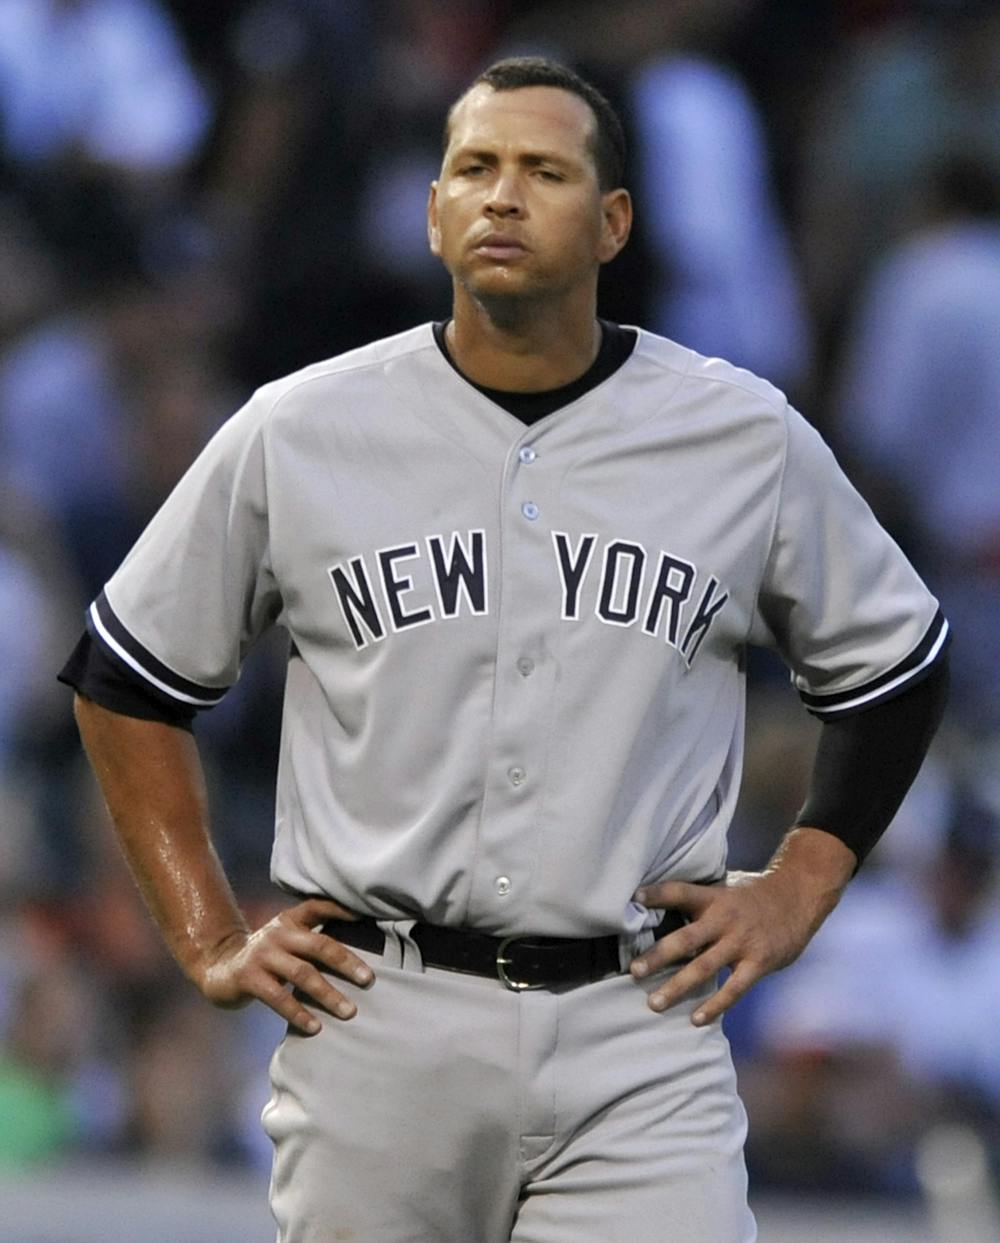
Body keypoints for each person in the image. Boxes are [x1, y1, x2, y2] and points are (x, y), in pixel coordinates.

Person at [61, 57, 949, 1243]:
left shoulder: (739, 434)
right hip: (379, 1016)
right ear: (433, 212)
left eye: (544, 170)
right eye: (474, 168)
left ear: (613, 222)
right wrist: (208, 930)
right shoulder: (302, 427)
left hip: (637, 1022)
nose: (502, 196)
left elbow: (895, 666)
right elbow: (128, 677)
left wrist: (800, 882)